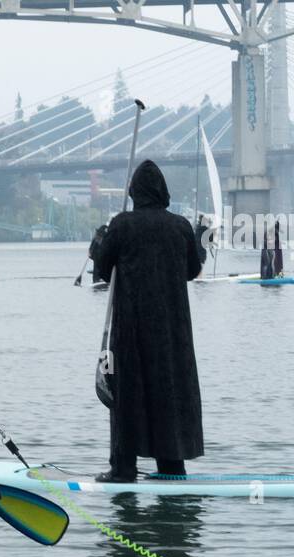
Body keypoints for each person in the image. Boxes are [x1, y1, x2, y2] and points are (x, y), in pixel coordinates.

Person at [93, 160, 203, 482]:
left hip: (132, 327)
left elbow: (101, 268)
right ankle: (171, 465)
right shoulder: (180, 226)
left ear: (134, 191)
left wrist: (103, 238)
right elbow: (192, 271)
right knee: (169, 391)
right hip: (173, 329)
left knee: (128, 392)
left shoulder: (122, 224)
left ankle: (123, 468)